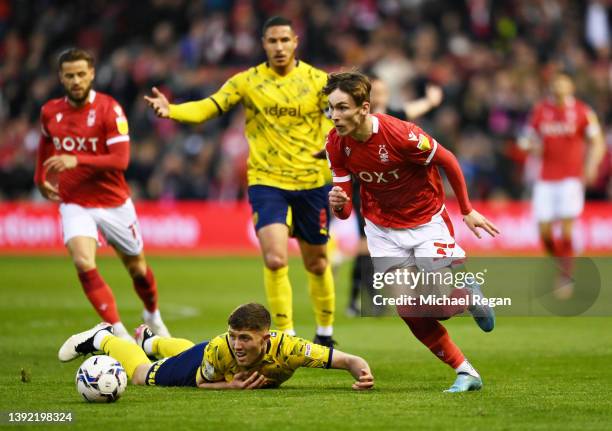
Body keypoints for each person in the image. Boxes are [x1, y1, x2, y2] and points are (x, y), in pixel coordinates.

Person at [144, 16, 336, 346]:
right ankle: (286, 336)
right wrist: (172, 110)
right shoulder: (247, 81)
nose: (279, 47)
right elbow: (209, 107)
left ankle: (325, 334)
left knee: (317, 263)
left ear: (295, 42)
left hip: (312, 181)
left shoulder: (319, 82)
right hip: (268, 181)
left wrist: (332, 149)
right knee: (275, 258)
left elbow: (338, 120)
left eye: (284, 40)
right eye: (272, 41)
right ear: (263, 44)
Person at [324, 71, 499, 392]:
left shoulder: (401, 134)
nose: (335, 116)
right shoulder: (335, 144)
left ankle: (470, 295)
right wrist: (338, 203)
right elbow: (346, 208)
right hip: (382, 230)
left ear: (364, 108)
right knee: (409, 310)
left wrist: (467, 209)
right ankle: (466, 372)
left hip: (426, 222)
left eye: (343, 108)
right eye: (331, 108)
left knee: (442, 308)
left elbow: (448, 160)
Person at [34, 48, 170, 341]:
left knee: (137, 267)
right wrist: (39, 176)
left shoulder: (111, 109)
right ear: (61, 77)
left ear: (92, 74)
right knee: (83, 261)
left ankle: (152, 315)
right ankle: (119, 333)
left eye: (81, 74)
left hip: (113, 201)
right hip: (74, 201)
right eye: (69, 75)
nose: (76, 81)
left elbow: (120, 160)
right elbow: (46, 142)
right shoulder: (50, 111)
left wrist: (76, 160)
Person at [58, 303, 374, 390]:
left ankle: (152, 341)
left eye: (244, 338)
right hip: (206, 365)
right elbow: (201, 381)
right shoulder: (221, 350)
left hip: (209, 357)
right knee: (141, 374)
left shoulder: (291, 349)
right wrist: (230, 386)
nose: (237, 344)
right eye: (233, 335)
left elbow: (349, 360)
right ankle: (103, 337)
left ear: (265, 338)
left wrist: (363, 374)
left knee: (190, 350)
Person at [346, 76, 444, 316]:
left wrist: (431, 102)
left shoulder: (394, 115)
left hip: (391, 195)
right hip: (365, 190)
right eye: (375, 91)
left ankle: (380, 297)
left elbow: (412, 109)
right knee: (363, 247)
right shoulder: (354, 119)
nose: (380, 95)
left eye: (383, 91)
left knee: (377, 248)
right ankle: (362, 297)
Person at [519, 72, 605, 299]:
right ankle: (562, 264)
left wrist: (592, 165)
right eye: (556, 82)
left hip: (570, 178)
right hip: (545, 179)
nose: (559, 85)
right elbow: (526, 138)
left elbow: (597, 142)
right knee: (545, 233)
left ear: (571, 86)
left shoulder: (582, 111)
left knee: (567, 229)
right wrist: (529, 146)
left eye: (563, 82)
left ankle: (565, 276)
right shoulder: (540, 111)